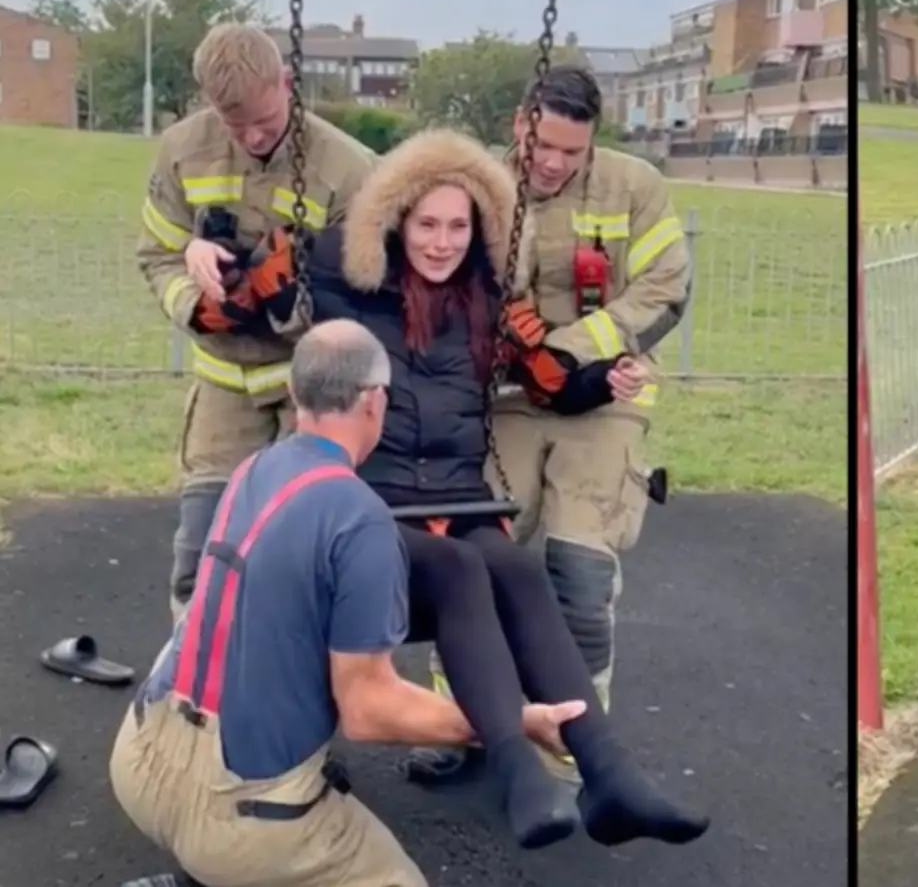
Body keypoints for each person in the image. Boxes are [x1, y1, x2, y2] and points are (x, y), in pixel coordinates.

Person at [109, 320, 591, 887]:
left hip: (140, 763)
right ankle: (220, 866)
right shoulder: (359, 518)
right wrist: (515, 723)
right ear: (374, 402)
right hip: (239, 816)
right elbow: (370, 712)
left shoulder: (253, 469)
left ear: (294, 394)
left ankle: (203, 871)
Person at [406, 67, 693, 784]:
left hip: (603, 400)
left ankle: (576, 739)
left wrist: (574, 354)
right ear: (519, 125)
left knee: (581, 574)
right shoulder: (476, 185)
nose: (556, 163)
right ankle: (461, 722)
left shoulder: (636, 186)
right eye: (544, 146)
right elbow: (437, 272)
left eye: (574, 150)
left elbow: (667, 287)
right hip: (502, 400)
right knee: (467, 562)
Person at [136, 21, 378, 623]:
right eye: (232, 123)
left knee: (299, 553)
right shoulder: (181, 150)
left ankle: (292, 692)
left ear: (287, 84)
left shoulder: (347, 169)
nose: (251, 136)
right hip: (225, 384)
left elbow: (370, 296)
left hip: (311, 389)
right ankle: (191, 697)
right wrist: (194, 292)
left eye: (265, 121)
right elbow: (155, 254)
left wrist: (292, 301)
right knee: (200, 551)